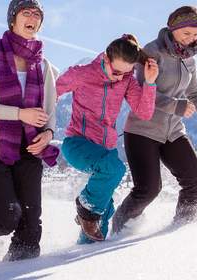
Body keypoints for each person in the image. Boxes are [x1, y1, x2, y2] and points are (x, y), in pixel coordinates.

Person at [113, 6, 197, 234]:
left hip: (173, 131)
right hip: (142, 131)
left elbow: (193, 92)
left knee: (195, 181)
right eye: (186, 34)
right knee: (148, 189)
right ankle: (119, 227)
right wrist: (176, 106)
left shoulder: (190, 59)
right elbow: (144, 90)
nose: (191, 39)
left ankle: (184, 231)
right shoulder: (151, 52)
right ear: (173, 29)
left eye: (195, 35)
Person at [0, 0, 59, 261]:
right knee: (6, 217)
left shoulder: (45, 66)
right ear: (12, 20)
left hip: (30, 142)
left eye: (37, 14)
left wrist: (48, 135)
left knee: (30, 230)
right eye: (26, 12)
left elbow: (49, 114)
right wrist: (19, 114)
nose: (32, 17)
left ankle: (19, 269)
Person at [56, 34, 158, 243]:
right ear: (106, 57)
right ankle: (85, 207)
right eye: (117, 71)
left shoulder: (126, 80)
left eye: (127, 73)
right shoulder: (82, 74)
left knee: (103, 212)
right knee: (115, 169)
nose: (121, 77)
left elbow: (144, 112)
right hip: (78, 144)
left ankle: (87, 250)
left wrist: (149, 83)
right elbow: (49, 92)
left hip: (105, 150)